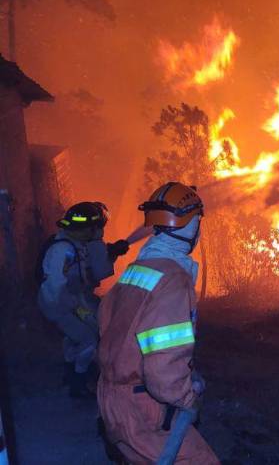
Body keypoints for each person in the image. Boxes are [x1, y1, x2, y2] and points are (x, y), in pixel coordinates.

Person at [97, 182, 219, 464]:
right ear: (191, 226)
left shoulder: (137, 271)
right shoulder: (172, 281)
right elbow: (164, 370)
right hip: (142, 410)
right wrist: (188, 398)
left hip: (113, 399)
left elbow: (105, 327)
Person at [37, 201, 130, 397]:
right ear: (86, 229)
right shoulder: (64, 250)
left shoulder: (73, 244)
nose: (97, 233)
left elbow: (90, 271)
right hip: (60, 305)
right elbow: (54, 285)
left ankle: (71, 372)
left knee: (75, 337)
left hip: (68, 302)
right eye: (94, 228)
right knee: (89, 339)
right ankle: (78, 382)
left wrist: (111, 253)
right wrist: (73, 309)